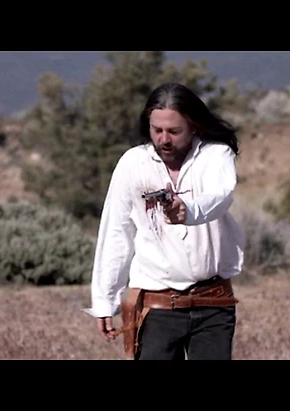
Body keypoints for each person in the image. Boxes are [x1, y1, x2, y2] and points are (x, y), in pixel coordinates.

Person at [83, 82, 245, 360]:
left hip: (213, 303)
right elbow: (116, 232)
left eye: (174, 131)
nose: (164, 139)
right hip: (156, 306)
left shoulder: (216, 155)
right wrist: (105, 300)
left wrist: (188, 210)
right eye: (156, 130)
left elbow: (219, 197)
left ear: (193, 126)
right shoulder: (133, 164)